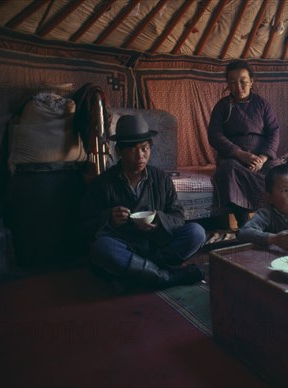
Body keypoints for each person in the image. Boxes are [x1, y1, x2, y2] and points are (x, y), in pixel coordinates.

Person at [80, 114, 207, 291]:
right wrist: (109, 218)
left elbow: (178, 215)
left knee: (197, 233)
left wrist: (159, 221)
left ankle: (136, 275)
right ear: (119, 151)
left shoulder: (161, 179)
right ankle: (164, 276)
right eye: (133, 149)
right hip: (125, 245)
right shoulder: (102, 184)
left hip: (157, 245)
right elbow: (85, 224)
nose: (140, 155)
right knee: (102, 248)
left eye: (145, 148)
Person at [208, 59, 280, 228]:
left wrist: (261, 158)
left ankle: (271, 218)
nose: (238, 86)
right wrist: (241, 154)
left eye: (243, 82)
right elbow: (215, 135)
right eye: (232, 82)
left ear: (251, 81)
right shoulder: (223, 106)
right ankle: (244, 222)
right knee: (228, 170)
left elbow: (274, 132)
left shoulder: (262, 104)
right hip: (234, 158)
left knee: (277, 173)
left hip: (260, 157)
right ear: (227, 83)